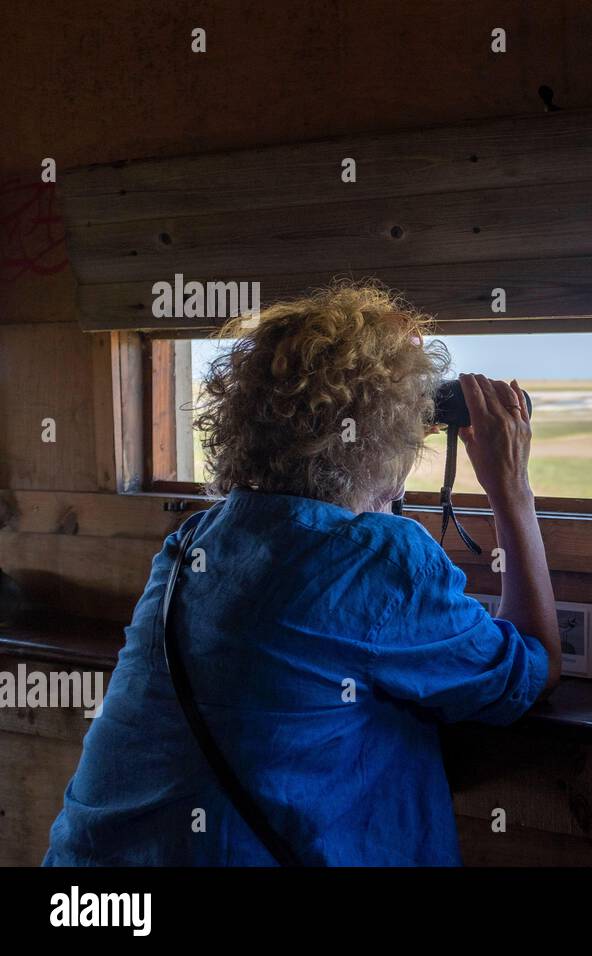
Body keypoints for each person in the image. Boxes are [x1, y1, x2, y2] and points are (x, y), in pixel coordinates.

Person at [43, 282, 560, 866]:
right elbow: (534, 668)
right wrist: (511, 487)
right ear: (390, 436)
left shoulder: (195, 541)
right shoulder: (374, 561)